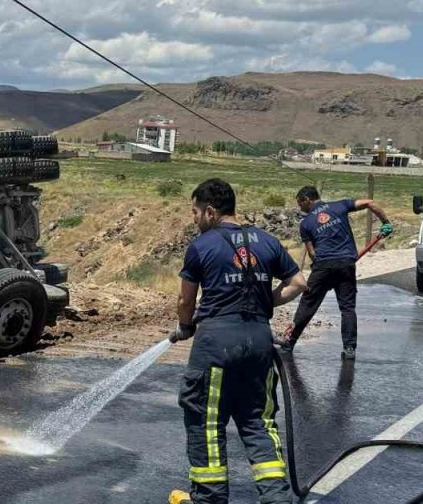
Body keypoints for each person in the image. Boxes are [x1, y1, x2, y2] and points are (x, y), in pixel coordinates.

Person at [167, 178, 308, 504]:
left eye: (196, 213)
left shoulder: (201, 246)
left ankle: (210, 499)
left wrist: (185, 326)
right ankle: (276, 498)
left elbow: (185, 301)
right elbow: (299, 282)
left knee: (207, 423)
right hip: (259, 344)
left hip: (216, 346)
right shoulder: (267, 240)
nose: (194, 219)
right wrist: (263, 303)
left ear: (211, 212)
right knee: (257, 422)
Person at [275, 186, 391, 359]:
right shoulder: (340, 206)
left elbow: (312, 253)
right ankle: (349, 349)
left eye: (300, 204)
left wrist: (321, 268)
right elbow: (370, 203)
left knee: (307, 305)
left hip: (323, 266)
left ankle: (289, 344)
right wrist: (385, 222)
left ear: (307, 199)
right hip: (346, 265)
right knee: (347, 308)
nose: (300, 208)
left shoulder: (306, 223)